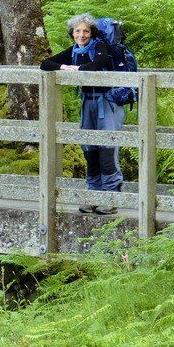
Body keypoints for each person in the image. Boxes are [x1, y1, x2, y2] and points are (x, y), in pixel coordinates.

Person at [39, 13, 123, 214]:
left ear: (92, 32)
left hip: (107, 102)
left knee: (107, 146)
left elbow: (96, 66)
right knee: (89, 147)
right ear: (72, 33)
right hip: (88, 102)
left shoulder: (99, 46)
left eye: (86, 31)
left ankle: (110, 197)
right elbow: (45, 64)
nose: (82, 34)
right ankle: (93, 195)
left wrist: (74, 69)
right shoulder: (75, 50)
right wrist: (64, 66)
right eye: (78, 31)